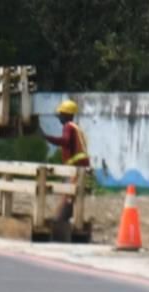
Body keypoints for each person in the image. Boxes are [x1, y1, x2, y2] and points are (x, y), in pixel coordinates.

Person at [42, 99, 91, 239]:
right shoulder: (76, 127)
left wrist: (47, 138)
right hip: (79, 167)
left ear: (67, 115)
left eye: (61, 114)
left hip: (76, 169)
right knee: (70, 195)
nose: (59, 117)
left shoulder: (68, 127)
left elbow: (65, 141)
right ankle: (62, 220)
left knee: (68, 196)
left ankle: (60, 222)